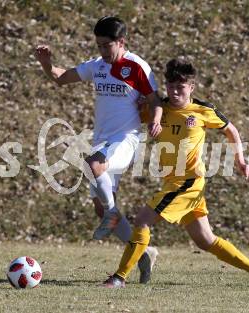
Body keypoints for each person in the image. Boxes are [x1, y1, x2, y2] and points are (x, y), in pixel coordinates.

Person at [102, 58, 249, 288]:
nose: (174, 92)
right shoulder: (159, 108)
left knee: (142, 220)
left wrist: (241, 161)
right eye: (170, 86)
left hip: (187, 183)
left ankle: (119, 278)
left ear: (191, 87)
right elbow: (130, 114)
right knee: (206, 240)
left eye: (180, 87)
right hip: (174, 184)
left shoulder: (203, 111)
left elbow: (231, 130)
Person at [34, 16, 162, 283]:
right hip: (102, 140)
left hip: (127, 140)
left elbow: (155, 99)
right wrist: (46, 65)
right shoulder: (97, 66)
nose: (103, 51)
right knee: (100, 210)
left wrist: (156, 120)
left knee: (93, 165)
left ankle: (114, 214)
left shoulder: (137, 66)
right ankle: (144, 252)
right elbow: (60, 78)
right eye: (99, 45)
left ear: (121, 42)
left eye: (107, 46)